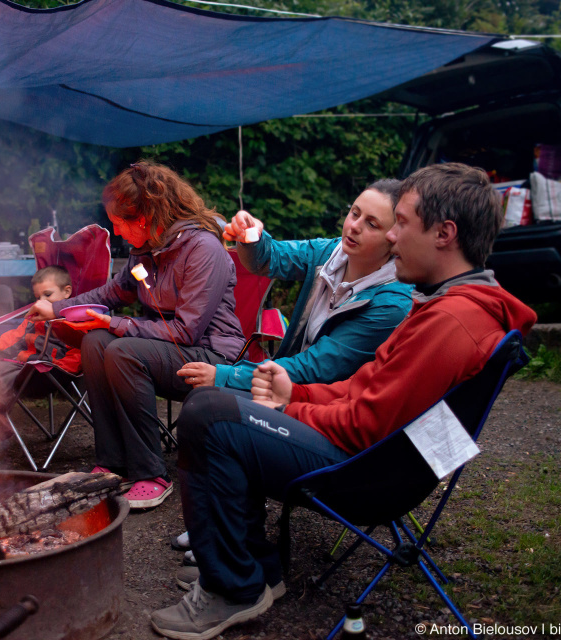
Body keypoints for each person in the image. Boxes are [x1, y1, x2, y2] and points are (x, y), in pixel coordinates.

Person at [149, 163, 538, 640]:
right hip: (371, 454)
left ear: (444, 233)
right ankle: (250, 564)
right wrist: (298, 394)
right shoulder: (443, 303)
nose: (393, 237)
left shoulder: (450, 322)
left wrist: (288, 409)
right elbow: (367, 389)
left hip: (368, 474)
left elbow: (365, 425)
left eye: (401, 223)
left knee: (210, 416)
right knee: (228, 408)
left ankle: (234, 587)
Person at [170, 179, 413, 557]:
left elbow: (317, 366)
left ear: (394, 238)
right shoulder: (331, 254)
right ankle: (218, 523)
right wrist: (251, 238)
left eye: (371, 224)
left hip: (327, 408)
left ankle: (227, 536)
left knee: (222, 409)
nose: (354, 226)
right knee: (215, 404)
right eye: (354, 213)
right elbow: (272, 258)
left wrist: (226, 375)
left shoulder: (390, 302)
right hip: (291, 387)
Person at [27, 160, 245, 510]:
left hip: (209, 356)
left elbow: (186, 332)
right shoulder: (147, 250)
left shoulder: (203, 249)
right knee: (96, 343)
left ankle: (152, 474)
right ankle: (113, 464)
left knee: (121, 349)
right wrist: (58, 309)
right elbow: (112, 294)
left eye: (118, 224)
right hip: (163, 351)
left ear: (142, 218)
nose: (117, 233)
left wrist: (116, 324)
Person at [0, 265, 78, 433]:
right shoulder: (34, 319)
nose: (41, 301)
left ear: (67, 292)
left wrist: (55, 365)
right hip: (26, 370)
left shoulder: (75, 320)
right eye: (38, 297)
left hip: (51, 374)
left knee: (7, 372)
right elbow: (12, 338)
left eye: (48, 295)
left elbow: (80, 353)